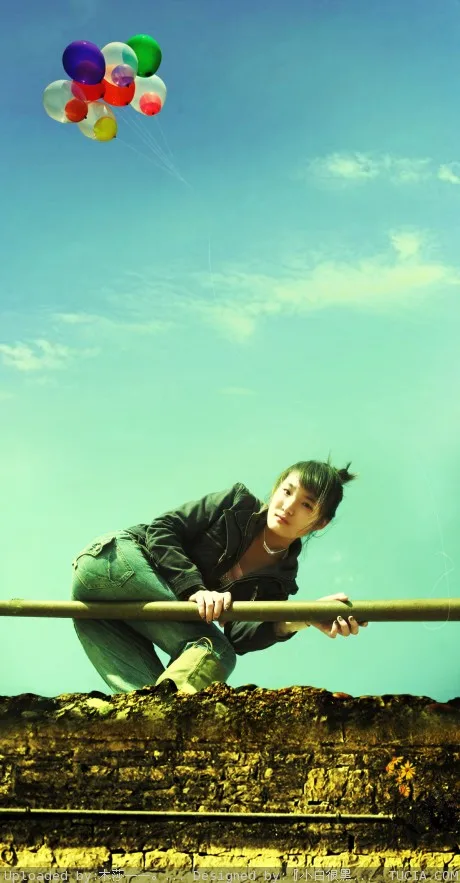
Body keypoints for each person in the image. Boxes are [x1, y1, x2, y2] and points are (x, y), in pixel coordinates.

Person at [70, 458, 368, 695]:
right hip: (114, 561)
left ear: (320, 523)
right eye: (287, 491)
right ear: (276, 489)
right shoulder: (236, 504)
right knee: (213, 649)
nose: (288, 506)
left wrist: (305, 617)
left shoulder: (281, 579)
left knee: (146, 700)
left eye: (306, 504)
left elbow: (238, 634)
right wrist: (195, 589)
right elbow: (162, 529)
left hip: (100, 614)